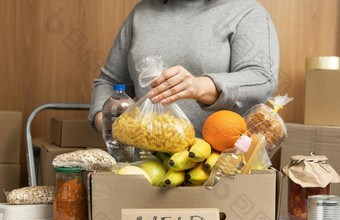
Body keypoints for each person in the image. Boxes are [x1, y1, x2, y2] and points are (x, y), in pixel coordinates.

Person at [89, 0, 279, 138]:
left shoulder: (246, 11)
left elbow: (262, 79)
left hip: (220, 165)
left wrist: (199, 87)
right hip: (143, 165)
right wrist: (105, 122)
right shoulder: (142, 12)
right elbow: (111, 82)